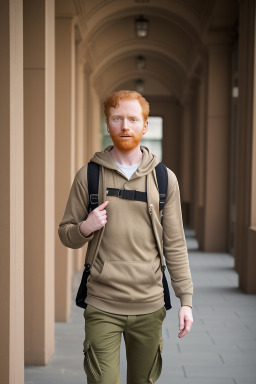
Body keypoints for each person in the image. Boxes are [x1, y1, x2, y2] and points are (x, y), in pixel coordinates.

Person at [58, 90, 193, 384]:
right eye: (117, 118)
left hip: (149, 305)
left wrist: (186, 300)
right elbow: (66, 235)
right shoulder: (89, 176)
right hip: (102, 303)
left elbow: (175, 244)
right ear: (108, 124)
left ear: (145, 126)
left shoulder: (164, 179)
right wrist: (86, 226)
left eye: (133, 119)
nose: (125, 126)